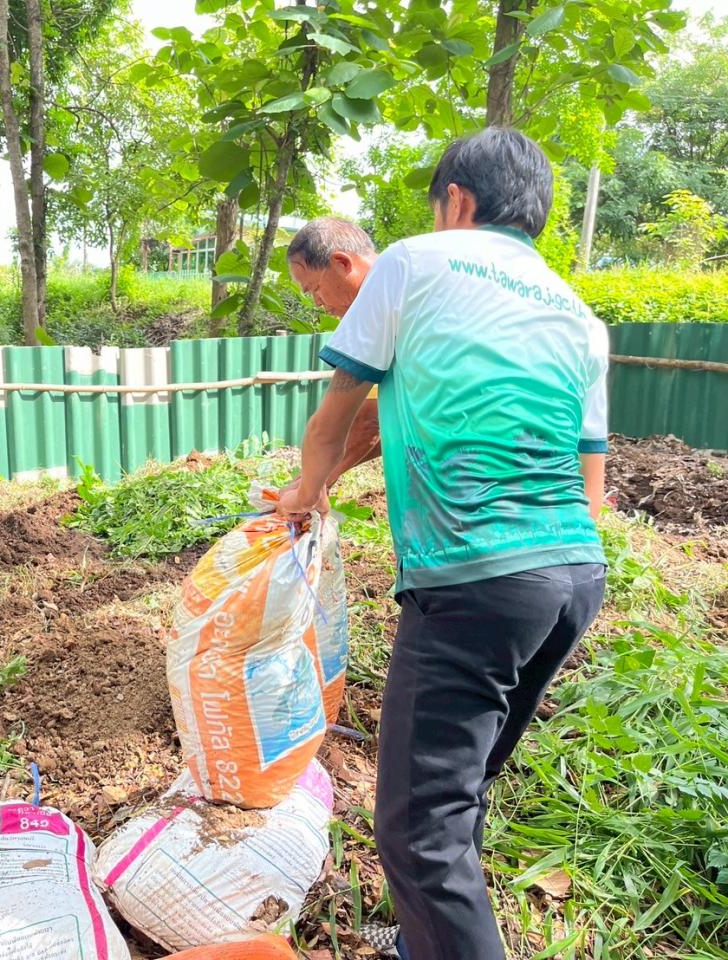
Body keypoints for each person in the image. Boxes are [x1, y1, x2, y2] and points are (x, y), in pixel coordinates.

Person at [279, 128, 608, 960]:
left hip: (475, 578)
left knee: (419, 829)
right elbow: (591, 479)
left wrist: (303, 493)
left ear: (456, 199)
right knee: (460, 790)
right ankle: (421, 943)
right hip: (574, 577)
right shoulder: (579, 315)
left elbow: (337, 414)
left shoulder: (412, 262)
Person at [286, 217, 381, 486]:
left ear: (341, 263)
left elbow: (367, 422)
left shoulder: (376, 305)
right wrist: (319, 478)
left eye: (315, 288)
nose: (317, 302)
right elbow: (384, 424)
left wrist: (310, 487)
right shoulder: (408, 280)